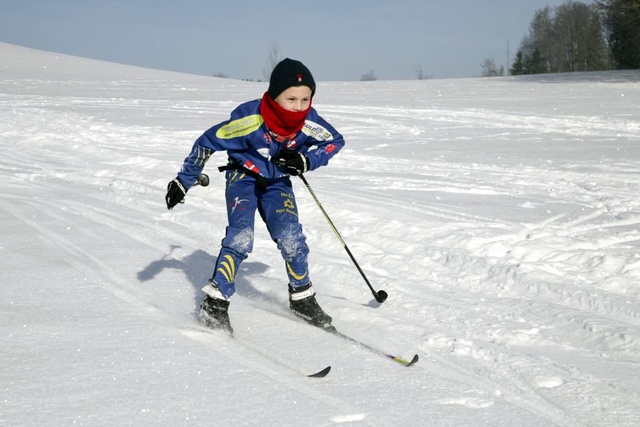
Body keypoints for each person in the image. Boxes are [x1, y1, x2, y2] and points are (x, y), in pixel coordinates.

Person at [165, 58, 345, 335]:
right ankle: (215, 302)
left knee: (292, 238)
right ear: (274, 96)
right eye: (291, 98)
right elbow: (206, 142)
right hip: (242, 177)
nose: (299, 106)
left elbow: (334, 141)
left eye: (305, 99)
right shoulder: (250, 121)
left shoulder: (308, 121)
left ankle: (302, 299)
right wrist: (183, 181)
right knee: (241, 237)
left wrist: (305, 160)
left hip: (278, 183)